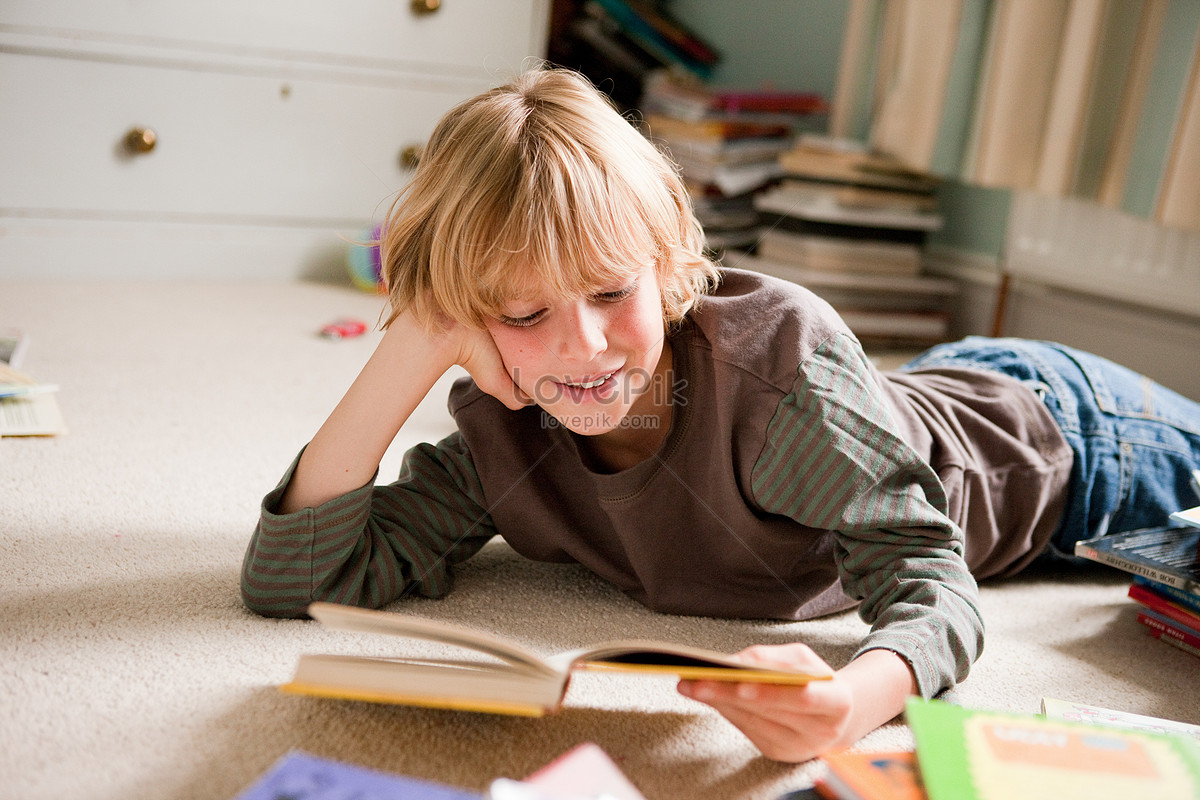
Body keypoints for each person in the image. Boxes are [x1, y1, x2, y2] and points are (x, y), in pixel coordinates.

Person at [241, 66, 1200, 762]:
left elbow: (930, 581)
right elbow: (297, 579)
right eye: (524, 314)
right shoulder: (504, 433)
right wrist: (408, 345)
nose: (583, 348)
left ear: (666, 270)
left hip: (1071, 444)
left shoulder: (773, 380)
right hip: (924, 397)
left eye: (611, 293)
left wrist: (853, 701)